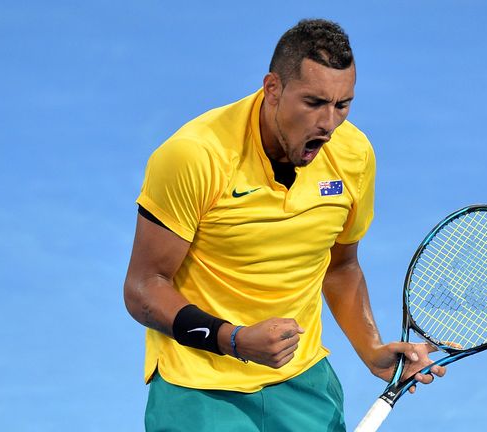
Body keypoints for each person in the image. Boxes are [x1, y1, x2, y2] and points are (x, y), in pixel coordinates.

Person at [124, 18, 446, 432]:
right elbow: (143, 287)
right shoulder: (195, 156)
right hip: (199, 387)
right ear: (272, 88)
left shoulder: (353, 155)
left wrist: (372, 350)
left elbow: (341, 266)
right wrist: (234, 340)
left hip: (302, 380)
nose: (329, 124)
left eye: (342, 105)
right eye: (313, 103)